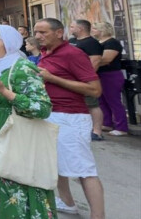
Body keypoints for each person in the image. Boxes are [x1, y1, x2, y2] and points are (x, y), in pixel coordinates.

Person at [0, 25, 56, 219]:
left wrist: (5, 92)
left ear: (9, 43)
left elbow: (42, 108)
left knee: (15, 188)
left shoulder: (22, 67)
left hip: (16, 142)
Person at [35, 18, 104, 218]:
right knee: (55, 164)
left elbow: (95, 89)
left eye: (43, 32)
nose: (38, 36)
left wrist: (53, 78)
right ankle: (67, 202)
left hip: (71, 117)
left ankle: (98, 215)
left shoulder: (73, 54)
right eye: (36, 32)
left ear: (59, 33)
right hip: (51, 114)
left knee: (84, 169)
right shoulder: (46, 53)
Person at [69, 19, 105, 141]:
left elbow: (95, 62)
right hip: (71, 79)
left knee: (92, 105)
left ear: (80, 29)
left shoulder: (92, 43)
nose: (70, 29)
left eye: (72, 26)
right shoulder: (71, 41)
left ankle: (97, 131)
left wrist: (85, 79)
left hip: (85, 80)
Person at [91, 21, 128, 136]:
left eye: (95, 29)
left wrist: (92, 63)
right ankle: (107, 123)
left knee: (113, 100)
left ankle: (121, 127)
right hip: (100, 74)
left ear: (102, 30)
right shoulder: (98, 43)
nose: (93, 31)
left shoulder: (112, 42)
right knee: (102, 100)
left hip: (110, 74)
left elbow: (107, 59)